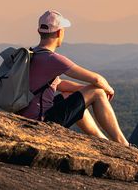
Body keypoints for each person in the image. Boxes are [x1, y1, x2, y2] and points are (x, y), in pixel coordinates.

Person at [16, 10, 130, 146]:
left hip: (27, 117)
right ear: (59, 33)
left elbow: (58, 84)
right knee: (98, 92)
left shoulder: (32, 54)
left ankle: (103, 141)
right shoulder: (52, 59)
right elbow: (96, 79)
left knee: (70, 95)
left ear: (39, 31)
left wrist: (84, 92)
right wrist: (107, 89)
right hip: (42, 121)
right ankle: (123, 144)